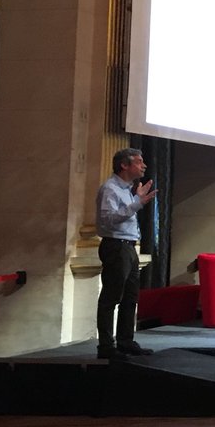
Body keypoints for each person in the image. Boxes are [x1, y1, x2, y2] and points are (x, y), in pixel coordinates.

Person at [95, 147, 158, 360]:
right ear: (124, 165)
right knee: (111, 297)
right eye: (139, 162)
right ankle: (105, 345)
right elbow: (108, 220)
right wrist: (137, 204)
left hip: (129, 247)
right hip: (115, 246)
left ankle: (125, 341)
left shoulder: (126, 190)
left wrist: (135, 200)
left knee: (130, 297)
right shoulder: (110, 189)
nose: (144, 165)